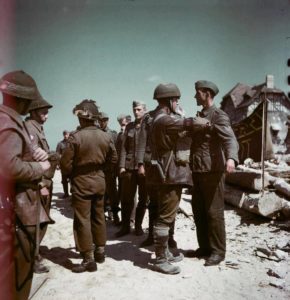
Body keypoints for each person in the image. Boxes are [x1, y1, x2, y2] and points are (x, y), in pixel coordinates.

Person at [146, 82, 209, 274]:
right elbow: (193, 123)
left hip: (164, 172)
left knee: (164, 214)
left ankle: (164, 251)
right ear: (170, 101)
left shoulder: (156, 118)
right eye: (176, 100)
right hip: (170, 174)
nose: (178, 103)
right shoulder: (165, 119)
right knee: (165, 217)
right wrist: (205, 122)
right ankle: (160, 259)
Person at [0, 70, 51, 300]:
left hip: (14, 211)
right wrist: (38, 168)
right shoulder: (8, 124)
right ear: (20, 99)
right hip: (15, 214)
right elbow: (8, 167)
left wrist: (34, 154)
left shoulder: (10, 121)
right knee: (16, 277)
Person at [60, 99, 117, 273]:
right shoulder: (105, 136)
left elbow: (65, 164)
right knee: (99, 216)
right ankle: (100, 251)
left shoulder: (75, 137)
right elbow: (113, 159)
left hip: (81, 181)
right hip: (100, 181)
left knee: (82, 219)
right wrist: (100, 170)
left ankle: (88, 258)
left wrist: (72, 175)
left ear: (83, 119)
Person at [188, 80, 239, 266]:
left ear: (207, 93)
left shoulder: (219, 115)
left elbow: (230, 139)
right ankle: (205, 248)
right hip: (198, 170)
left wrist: (231, 158)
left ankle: (218, 252)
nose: (194, 96)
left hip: (213, 171)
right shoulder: (199, 115)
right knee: (199, 210)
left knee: (214, 212)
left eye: (197, 93)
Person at [25, 96, 58, 273]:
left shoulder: (37, 128)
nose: (47, 115)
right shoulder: (30, 128)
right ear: (34, 111)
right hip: (38, 184)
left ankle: (34, 254)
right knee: (38, 223)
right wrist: (40, 184)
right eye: (44, 112)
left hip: (44, 181)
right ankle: (32, 259)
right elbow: (32, 161)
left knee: (41, 221)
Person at [115, 101, 148, 237]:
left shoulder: (149, 126)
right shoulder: (129, 127)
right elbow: (123, 149)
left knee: (143, 199)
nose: (136, 112)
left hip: (144, 168)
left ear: (145, 110)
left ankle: (138, 226)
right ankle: (125, 226)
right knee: (126, 198)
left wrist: (146, 165)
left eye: (139, 109)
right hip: (129, 167)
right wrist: (122, 166)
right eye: (134, 109)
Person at [97, 112, 119, 223]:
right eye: (100, 120)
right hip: (99, 168)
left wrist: (114, 167)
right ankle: (101, 215)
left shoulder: (113, 134)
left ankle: (114, 214)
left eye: (104, 120)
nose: (102, 122)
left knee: (112, 192)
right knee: (100, 192)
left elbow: (117, 152)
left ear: (107, 120)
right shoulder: (95, 134)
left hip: (110, 168)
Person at [56, 130, 70, 198]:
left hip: (71, 164)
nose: (65, 136)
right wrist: (58, 164)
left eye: (66, 134)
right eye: (64, 134)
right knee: (64, 180)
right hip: (63, 164)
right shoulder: (60, 144)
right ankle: (66, 193)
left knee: (72, 180)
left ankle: (73, 193)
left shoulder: (71, 143)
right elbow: (57, 154)